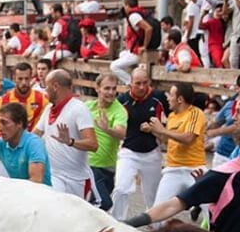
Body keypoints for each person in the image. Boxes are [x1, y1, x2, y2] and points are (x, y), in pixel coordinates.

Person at [111, 67, 168, 220]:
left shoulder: (158, 97)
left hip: (152, 152)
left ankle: (155, 225)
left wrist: (157, 129)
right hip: (128, 152)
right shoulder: (122, 100)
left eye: (145, 83)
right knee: (121, 189)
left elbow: (172, 119)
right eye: (138, 84)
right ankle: (118, 222)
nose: (142, 87)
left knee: (152, 195)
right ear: (130, 84)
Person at [33, 69, 98, 199]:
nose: (45, 92)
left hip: (76, 179)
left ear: (55, 86)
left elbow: (93, 144)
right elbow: (34, 135)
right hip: (54, 175)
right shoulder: (48, 109)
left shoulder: (79, 108)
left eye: (47, 87)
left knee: (77, 218)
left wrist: (71, 141)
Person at [146, 82, 207, 204]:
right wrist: (154, 131)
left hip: (194, 169)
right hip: (173, 169)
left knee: (211, 213)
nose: (167, 98)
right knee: (158, 212)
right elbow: (169, 142)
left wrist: (162, 130)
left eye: (170, 95)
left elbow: (188, 138)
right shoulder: (172, 116)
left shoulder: (195, 113)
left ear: (180, 99)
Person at [86, 73, 128, 211]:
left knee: (96, 207)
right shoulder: (88, 107)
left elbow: (122, 133)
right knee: (104, 203)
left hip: (108, 168)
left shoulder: (119, 110)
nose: (111, 92)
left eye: (114, 89)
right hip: (90, 166)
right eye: (107, 88)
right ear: (97, 88)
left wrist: (107, 129)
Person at [0, 62, 48, 137]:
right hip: (7, 146)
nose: (24, 82)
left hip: (30, 145)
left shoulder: (42, 99)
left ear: (31, 78)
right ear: (14, 78)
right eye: (20, 79)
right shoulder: (4, 100)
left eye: (26, 78)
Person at [110, 0, 154, 84]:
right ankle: (132, 78)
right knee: (122, 54)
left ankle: (131, 82)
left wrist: (144, 46)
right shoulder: (139, 13)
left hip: (137, 52)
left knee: (113, 66)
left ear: (127, 5)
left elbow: (148, 28)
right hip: (133, 50)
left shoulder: (133, 16)